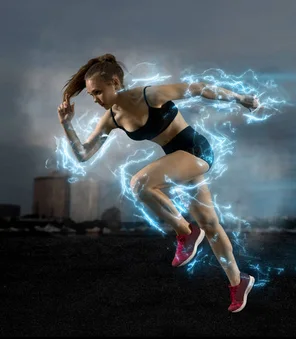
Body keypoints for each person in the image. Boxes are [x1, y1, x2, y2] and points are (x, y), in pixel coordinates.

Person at [57, 53, 256, 313]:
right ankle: (237, 282)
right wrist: (66, 124)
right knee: (210, 223)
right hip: (178, 159)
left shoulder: (149, 95)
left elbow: (198, 89)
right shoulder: (112, 119)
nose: (95, 99)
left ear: (115, 82)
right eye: (92, 95)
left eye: (97, 92)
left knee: (139, 183)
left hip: (196, 151)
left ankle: (185, 232)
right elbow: (84, 155)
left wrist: (240, 99)